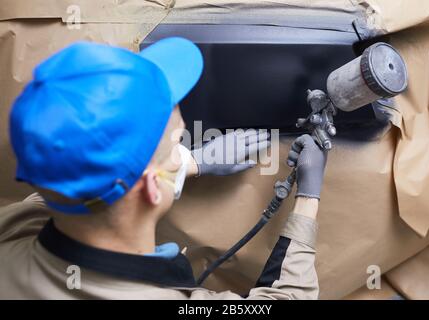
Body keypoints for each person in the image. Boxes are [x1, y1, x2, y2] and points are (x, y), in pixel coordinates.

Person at [0, 37, 327, 299]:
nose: (184, 149)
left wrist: (190, 162)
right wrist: (309, 196)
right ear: (152, 188)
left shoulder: (11, 234)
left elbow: (74, 177)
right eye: (177, 142)